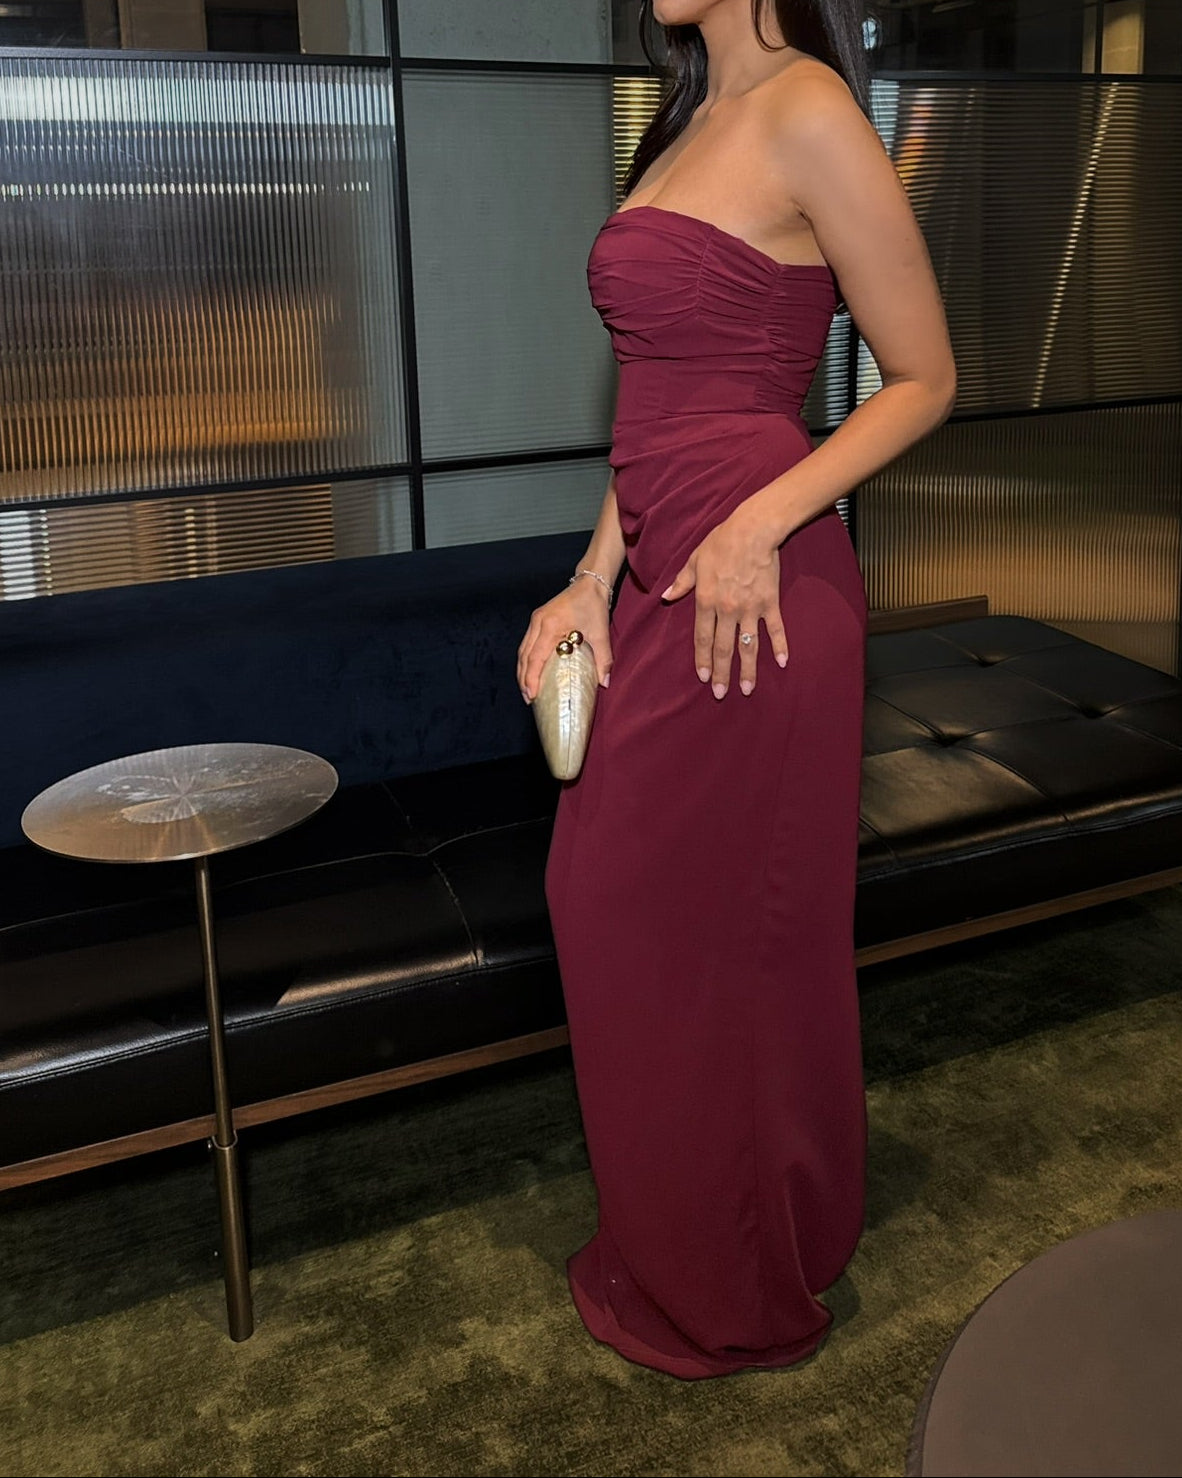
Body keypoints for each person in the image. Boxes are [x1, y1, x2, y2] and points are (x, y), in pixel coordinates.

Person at [517, 0, 955, 1380]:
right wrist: (589, 579)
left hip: (759, 603)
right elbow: (654, 399)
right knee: (610, 909)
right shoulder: (681, 119)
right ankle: (731, 1219)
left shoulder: (809, 106)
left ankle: (741, 1260)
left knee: (720, 941)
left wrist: (761, 522)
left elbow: (925, 376)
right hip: (662, 585)